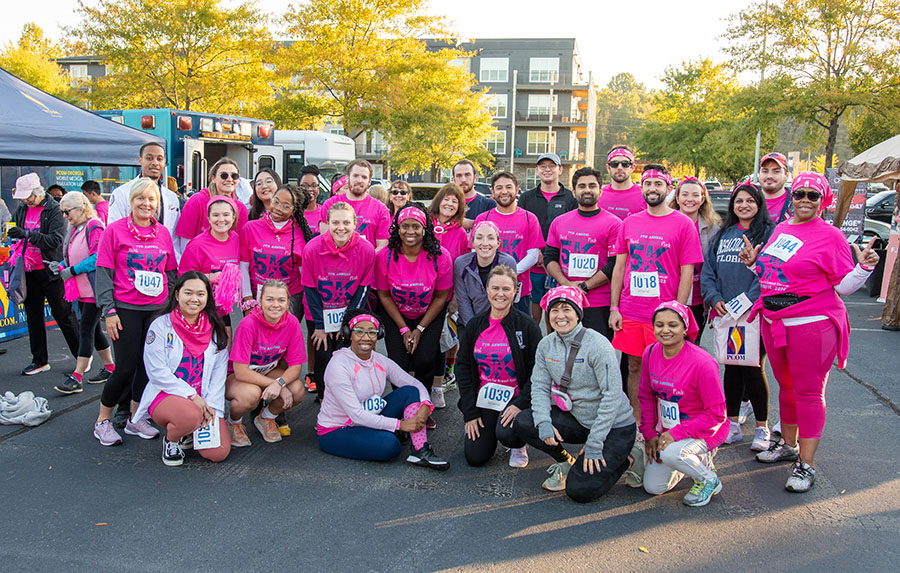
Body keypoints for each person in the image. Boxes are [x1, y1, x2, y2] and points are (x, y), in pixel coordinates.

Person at [740, 171, 879, 492]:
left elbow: (844, 286)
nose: (804, 200)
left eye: (812, 195)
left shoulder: (831, 236)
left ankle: (806, 463)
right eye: (799, 193)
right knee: (786, 387)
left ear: (823, 200)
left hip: (811, 324)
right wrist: (753, 264)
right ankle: (788, 444)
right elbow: (773, 274)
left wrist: (865, 267)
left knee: (808, 391)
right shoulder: (783, 228)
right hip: (775, 321)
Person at [511, 286, 636, 502]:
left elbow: (612, 396)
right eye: (554, 310)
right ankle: (566, 461)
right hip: (578, 418)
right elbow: (539, 387)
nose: (560, 316)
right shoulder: (546, 346)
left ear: (578, 313)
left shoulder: (597, 345)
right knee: (525, 421)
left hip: (614, 426)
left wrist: (596, 442)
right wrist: (544, 423)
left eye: (566, 309)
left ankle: (626, 459)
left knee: (579, 491)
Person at [609, 164, 704, 423]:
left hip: (663, 313)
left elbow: (687, 272)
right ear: (642, 188)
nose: (652, 189)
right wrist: (614, 307)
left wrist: (678, 311)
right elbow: (619, 267)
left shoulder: (683, 224)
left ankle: (667, 423)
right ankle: (637, 423)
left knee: (665, 370)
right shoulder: (629, 223)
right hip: (631, 310)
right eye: (648, 184)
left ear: (668, 188)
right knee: (634, 367)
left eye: (658, 184)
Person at [93, 177, 178, 446]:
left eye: (151, 199)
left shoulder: (163, 232)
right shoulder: (115, 231)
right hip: (125, 309)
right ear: (131, 201)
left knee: (147, 366)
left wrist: (169, 305)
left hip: (156, 310)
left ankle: (135, 417)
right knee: (125, 367)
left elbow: (171, 271)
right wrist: (108, 311)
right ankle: (102, 421)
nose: (146, 203)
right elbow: (104, 272)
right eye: (141, 198)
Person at [316, 310, 448, 469]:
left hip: (369, 415)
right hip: (338, 429)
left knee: (410, 391)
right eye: (359, 331)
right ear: (348, 334)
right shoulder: (338, 365)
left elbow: (415, 384)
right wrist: (401, 425)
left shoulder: (379, 360)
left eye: (372, 332)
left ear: (378, 335)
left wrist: (426, 405)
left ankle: (420, 451)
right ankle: (388, 433)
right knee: (390, 446)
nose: (366, 337)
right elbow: (356, 415)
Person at [701, 182, 775, 450]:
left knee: (753, 367)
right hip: (726, 314)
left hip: (754, 314)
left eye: (750, 201)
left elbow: (769, 272)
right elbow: (708, 271)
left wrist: (746, 302)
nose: (744, 205)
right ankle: (731, 425)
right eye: (739, 201)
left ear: (759, 204)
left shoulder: (769, 233)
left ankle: (761, 428)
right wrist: (715, 298)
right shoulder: (724, 234)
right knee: (732, 367)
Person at [134, 272, 230, 466]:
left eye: (200, 294)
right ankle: (172, 440)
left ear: (207, 298)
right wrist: (193, 397)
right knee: (189, 415)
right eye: (188, 293)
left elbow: (219, 376)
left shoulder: (216, 328)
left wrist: (211, 406)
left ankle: (190, 431)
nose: (194, 299)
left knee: (218, 453)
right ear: (177, 295)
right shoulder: (160, 326)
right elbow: (157, 372)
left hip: (203, 398)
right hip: (166, 395)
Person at [639, 301, 728, 506]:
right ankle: (690, 460)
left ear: (684, 328)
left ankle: (707, 479)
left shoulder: (703, 363)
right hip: (668, 430)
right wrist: (650, 434)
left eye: (673, 324)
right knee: (653, 487)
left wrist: (675, 435)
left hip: (705, 430)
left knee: (672, 452)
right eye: (659, 325)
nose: (665, 330)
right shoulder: (650, 353)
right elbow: (646, 396)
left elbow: (716, 415)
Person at [457, 266, 541, 468]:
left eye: (506, 289)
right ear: (487, 290)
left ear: (516, 291)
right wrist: (470, 413)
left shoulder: (528, 326)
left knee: (508, 435)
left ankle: (518, 444)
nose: (500, 294)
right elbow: (463, 367)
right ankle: (491, 427)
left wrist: (520, 403)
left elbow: (538, 372)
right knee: (475, 457)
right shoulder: (475, 325)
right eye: (495, 288)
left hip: (515, 399)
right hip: (485, 398)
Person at [376, 205, 452, 412]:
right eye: (405, 226)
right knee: (398, 362)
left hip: (429, 314)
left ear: (425, 228)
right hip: (396, 315)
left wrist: (419, 329)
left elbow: (441, 296)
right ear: (397, 228)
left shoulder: (440, 256)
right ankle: (404, 406)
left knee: (425, 360)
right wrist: (403, 329)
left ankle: (423, 406)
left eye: (416, 226)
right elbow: (383, 295)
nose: (410, 231)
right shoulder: (386, 256)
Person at [9, 173, 81, 376]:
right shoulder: (23, 208)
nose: (26, 201)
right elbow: (15, 225)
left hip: (50, 269)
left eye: (29, 197)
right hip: (29, 269)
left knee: (63, 314)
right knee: (33, 315)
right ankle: (39, 360)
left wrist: (27, 235)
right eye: (23, 197)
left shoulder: (54, 209)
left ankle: (81, 357)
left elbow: (55, 240)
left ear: (38, 192)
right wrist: (13, 232)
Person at [302, 202, 376, 401]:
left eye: (346, 222)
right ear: (326, 224)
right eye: (335, 222)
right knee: (324, 356)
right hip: (319, 312)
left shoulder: (366, 250)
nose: (340, 227)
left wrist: (345, 323)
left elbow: (363, 289)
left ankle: (349, 401)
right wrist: (320, 325)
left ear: (355, 224)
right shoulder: (312, 248)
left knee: (347, 356)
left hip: (349, 311)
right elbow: (309, 289)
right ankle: (325, 400)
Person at [544, 167, 622, 339]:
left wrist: (585, 286)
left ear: (600, 191)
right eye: (582, 186)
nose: (587, 190)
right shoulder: (559, 222)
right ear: (574, 192)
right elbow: (550, 257)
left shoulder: (614, 224)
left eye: (592, 186)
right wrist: (566, 284)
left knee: (596, 356)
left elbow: (614, 264)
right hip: (565, 300)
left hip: (598, 303)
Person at [226, 279, 306, 446]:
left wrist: (281, 383)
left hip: (267, 371)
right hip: (240, 376)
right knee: (250, 395)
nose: (275, 305)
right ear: (260, 301)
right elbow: (240, 371)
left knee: (297, 390)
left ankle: (266, 418)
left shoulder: (291, 323)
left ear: (288, 302)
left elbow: (296, 366)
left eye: (281, 300)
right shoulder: (248, 324)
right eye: (269, 299)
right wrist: (277, 385)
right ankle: (233, 423)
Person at [52, 192, 115, 394]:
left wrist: (72, 270)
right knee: (94, 331)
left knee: (86, 329)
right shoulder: (78, 226)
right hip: (83, 288)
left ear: (81, 208)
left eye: (67, 211)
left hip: (93, 289)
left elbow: (99, 256)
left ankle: (77, 376)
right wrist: (62, 265)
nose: (64, 216)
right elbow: (75, 255)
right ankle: (110, 367)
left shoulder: (94, 226)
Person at [239, 184, 315, 322]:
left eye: (286, 206)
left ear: (295, 209)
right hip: (257, 296)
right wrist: (248, 298)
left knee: (283, 339)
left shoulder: (300, 234)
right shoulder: (250, 228)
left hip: (290, 298)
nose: (278, 208)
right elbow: (243, 266)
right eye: (276, 201)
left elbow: (304, 275)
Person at [518, 152, 578, 323]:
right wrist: (536, 253)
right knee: (533, 313)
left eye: (552, 166)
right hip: (533, 264)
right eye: (543, 166)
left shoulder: (570, 198)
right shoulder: (527, 197)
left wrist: (551, 257)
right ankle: (535, 346)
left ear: (560, 170)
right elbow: (522, 228)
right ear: (537, 170)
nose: (547, 170)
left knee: (556, 309)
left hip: (559, 266)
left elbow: (573, 230)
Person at [474, 171, 544, 315]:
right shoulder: (483, 218)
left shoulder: (530, 218)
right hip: (489, 290)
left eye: (508, 187)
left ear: (517, 190)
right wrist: (495, 277)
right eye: (499, 188)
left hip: (520, 291)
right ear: (492, 191)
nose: (504, 192)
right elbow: (475, 252)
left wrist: (509, 274)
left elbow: (533, 254)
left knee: (518, 334)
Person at [669, 177, 722, 339]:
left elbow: (715, 267)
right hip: (670, 292)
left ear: (702, 199)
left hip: (698, 296)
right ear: (677, 199)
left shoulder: (713, 229)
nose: (690, 199)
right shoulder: (667, 224)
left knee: (692, 343)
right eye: (685, 195)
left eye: (695, 195)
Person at [108, 142, 183, 256]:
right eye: (149, 158)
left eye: (159, 159)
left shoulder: (171, 198)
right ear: (140, 160)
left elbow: (174, 237)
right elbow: (113, 232)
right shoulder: (121, 193)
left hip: (162, 262)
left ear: (164, 162)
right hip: (131, 259)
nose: (155, 163)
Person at [178, 195, 241, 328]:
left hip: (223, 311)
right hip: (199, 309)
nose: (221, 220)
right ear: (208, 218)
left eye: (226, 215)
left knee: (225, 346)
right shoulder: (196, 245)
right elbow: (183, 278)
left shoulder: (237, 240)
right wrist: (209, 277)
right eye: (216, 215)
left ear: (233, 217)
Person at [454, 221, 518, 328]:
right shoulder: (461, 264)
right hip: (469, 324)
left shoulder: (508, 263)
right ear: (472, 242)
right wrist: (474, 329)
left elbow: (507, 299)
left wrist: (493, 328)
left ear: (498, 243)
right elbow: (463, 301)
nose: (484, 243)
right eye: (479, 238)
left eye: (490, 238)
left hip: (501, 323)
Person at [319, 160, 391, 250]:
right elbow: (325, 240)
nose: (359, 180)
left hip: (368, 262)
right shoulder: (330, 204)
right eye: (355, 176)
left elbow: (382, 246)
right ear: (348, 178)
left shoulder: (380, 209)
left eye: (364, 177)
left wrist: (364, 261)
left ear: (369, 181)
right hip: (336, 262)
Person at [176, 158, 249, 241]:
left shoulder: (241, 209)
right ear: (213, 178)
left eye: (234, 176)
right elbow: (185, 239)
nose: (229, 179)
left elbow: (240, 242)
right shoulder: (196, 201)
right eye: (224, 175)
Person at [598, 146, 645, 221]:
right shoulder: (599, 195)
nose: (620, 167)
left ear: (632, 167)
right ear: (608, 167)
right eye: (614, 164)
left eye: (625, 164)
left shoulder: (644, 195)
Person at [428, 183, 469, 261]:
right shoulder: (425, 224)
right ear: (439, 201)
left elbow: (462, 262)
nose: (449, 204)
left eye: (454, 201)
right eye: (446, 199)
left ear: (459, 207)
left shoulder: (461, 233)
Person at [454, 159, 496, 230]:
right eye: (459, 175)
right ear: (454, 179)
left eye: (467, 175)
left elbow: (497, 229)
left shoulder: (489, 205)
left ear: (475, 177)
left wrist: (473, 223)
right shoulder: (446, 205)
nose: (463, 179)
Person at [759, 152, 793, 223]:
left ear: (786, 175)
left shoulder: (796, 202)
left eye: (776, 171)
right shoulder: (746, 201)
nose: (769, 176)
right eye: (765, 171)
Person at [299, 165, 323, 233]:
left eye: (314, 185)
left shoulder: (325, 213)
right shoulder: (292, 213)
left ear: (318, 189)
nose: (309, 189)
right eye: (305, 185)